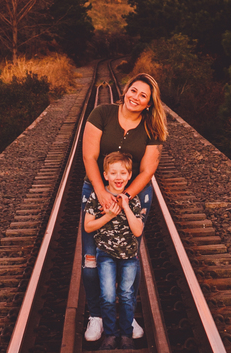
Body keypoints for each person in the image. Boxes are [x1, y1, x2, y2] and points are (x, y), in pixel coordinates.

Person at [82, 73, 169, 343]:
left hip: (134, 194)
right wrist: (101, 192)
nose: (136, 97)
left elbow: (148, 170)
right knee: (91, 257)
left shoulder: (152, 128)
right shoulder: (102, 113)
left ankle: (127, 314)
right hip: (96, 189)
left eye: (143, 95)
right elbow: (89, 155)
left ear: (149, 104)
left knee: (129, 254)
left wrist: (124, 197)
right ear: (126, 91)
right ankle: (96, 315)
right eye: (133, 90)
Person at [84, 152, 144, 350]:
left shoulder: (133, 200)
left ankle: (126, 334)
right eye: (113, 173)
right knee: (108, 295)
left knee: (127, 295)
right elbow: (88, 226)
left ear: (129, 176)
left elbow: (138, 230)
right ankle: (110, 333)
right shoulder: (96, 197)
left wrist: (125, 206)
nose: (118, 177)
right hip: (106, 255)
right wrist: (109, 215)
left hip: (129, 257)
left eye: (123, 173)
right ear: (105, 175)